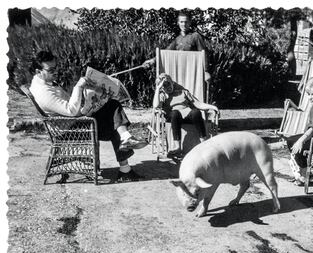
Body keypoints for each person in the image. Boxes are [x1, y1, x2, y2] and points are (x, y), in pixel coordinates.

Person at [29, 50, 145, 182]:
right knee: (113, 113)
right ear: (39, 71)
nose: (56, 71)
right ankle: (125, 159)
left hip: (73, 122)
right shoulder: (43, 92)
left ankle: (125, 149)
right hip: (69, 130)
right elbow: (71, 110)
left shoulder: (45, 84)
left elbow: (69, 106)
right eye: (51, 69)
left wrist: (88, 96)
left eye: (56, 67)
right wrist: (79, 87)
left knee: (112, 111)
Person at [153, 73, 218, 158]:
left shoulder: (183, 92)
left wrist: (213, 107)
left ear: (172, 82)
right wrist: (158, 88)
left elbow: (198, 104)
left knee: (196, 112)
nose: (167, 87)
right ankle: (178, 147)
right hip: (174, 118)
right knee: (175, 113)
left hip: (187, 116)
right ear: (162, 87)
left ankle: (203, 143)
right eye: (164, 86)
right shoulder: (162, 95)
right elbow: (155, 105)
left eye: (168, 84)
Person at [143, 11, 211, 82]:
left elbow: (204, 53)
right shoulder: (177, 39)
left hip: (193, 73)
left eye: (186, 22)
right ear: (178, 23)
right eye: (181, 22)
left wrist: (205, 71)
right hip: (180, 73)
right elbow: (165, 53)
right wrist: (152, 61)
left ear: (190, 23)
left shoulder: (196, 36)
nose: (184, 24)